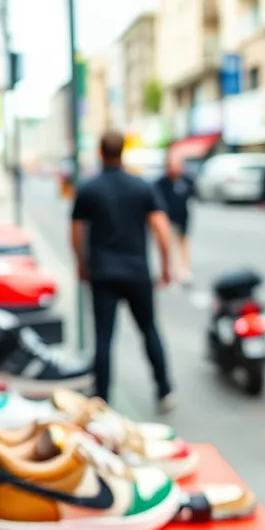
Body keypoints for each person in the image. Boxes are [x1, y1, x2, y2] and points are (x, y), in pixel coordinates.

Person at [71, 130, 175, 412]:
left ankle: (102, 400)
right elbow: (162, 230)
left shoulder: (89, 188)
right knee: (149, 330)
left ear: (100, 152)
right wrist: (167, 267)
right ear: (123, 152)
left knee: (103, 337)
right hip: (137, 272)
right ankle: (164, 390)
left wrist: (82, 265)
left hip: (103, 274)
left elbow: (77, 233)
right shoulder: (141, 187)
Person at [153, 157, 195, 284]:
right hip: (166, 219)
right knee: (166, 244)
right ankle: (167, 271)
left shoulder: (186, 181)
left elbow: (191, 197)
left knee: (183, 244)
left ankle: (184, 270)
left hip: (182, 217)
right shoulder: (161, 183)